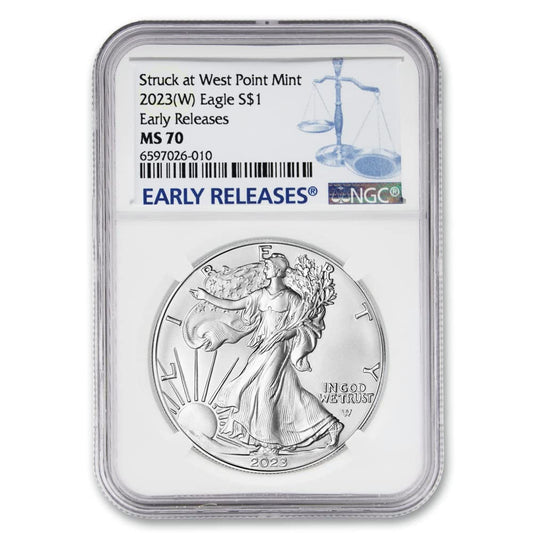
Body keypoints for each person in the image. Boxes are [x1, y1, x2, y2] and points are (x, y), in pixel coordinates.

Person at [190, 253, 343, 454]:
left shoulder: (291, 298)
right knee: (277, 391)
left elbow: (304, 325)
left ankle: (270, 444)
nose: (265, 269)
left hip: (279, 349)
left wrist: (285, 333)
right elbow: (233, 304)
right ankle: (330, 425)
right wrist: (206, 297)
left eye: (268, 266)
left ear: (278, 271)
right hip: (264, 347)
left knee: (265, 392)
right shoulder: (260, 295)